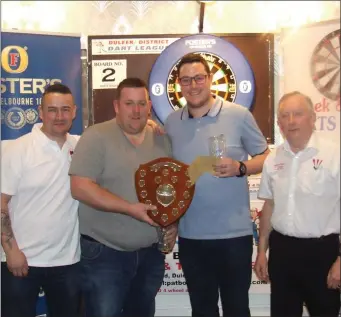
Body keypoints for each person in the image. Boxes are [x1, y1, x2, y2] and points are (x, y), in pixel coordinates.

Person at [164, 53, 270, 317]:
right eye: (186, 80)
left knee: (236, 309)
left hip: (233, 237)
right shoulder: (171, 123)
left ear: (210, 79)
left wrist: (241, 167)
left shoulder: (239, 115)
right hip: (191, 237)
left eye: (199, 77)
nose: (193, 85)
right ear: (179, 84)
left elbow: (267, 157)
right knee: (202, 310)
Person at [69, 77, 177, 317]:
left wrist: (172, 223)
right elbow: (80, 187)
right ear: (117, 106)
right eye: (129, 103)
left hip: (150, 254)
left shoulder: (161, 139)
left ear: (149, 106)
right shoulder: (96, 136)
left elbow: (169, 189)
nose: (136, 111)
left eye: (142, 103)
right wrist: (129, 208)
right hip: (105, 255)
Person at [254, 91, 340, 317]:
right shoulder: (273, 159)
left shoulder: (335, 154)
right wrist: (262, 251)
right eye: (285, 115)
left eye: (298, 114)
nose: (291, 121)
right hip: (282, 251)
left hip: (323, 254)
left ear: (313, 118)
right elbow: (269, 207)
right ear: (279, 123)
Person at [1, 83, 81, 317]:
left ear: (74, 111)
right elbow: (1, 203)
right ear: (41, 111)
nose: (59, 116)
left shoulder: (81, 146)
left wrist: (148, 126)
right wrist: (11, 251)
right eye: (52, 109)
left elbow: (117, 134)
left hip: (68, 262)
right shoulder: (18, 149)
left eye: (65, 109)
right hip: (22, 262)